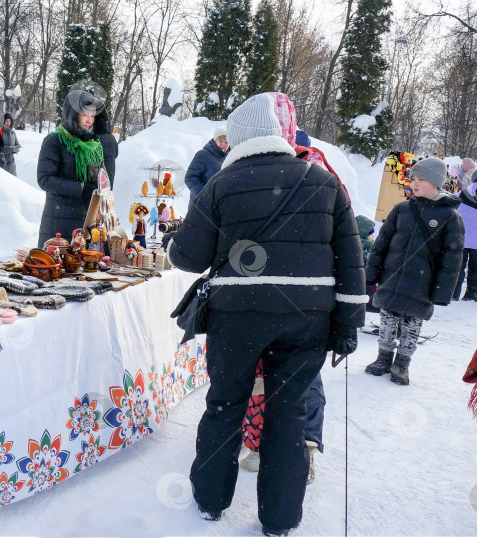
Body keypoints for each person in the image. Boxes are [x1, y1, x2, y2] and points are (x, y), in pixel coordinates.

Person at [166, 93, 365, 536]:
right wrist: (349, 323)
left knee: (224, 405)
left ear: (237, 139)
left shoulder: (221, 184)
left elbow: (187, 257)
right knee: (289, 413)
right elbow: (351, 262)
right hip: (306, 316)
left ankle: (210, 503)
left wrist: (171, 242)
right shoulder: (323, 181)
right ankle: (279, 519)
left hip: (237, 314)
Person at [236, 92, 334, 485]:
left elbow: (338, 242)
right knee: (264, 374)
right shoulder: (258, 170)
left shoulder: (317, 173)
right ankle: (259, 443)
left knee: (303, 379)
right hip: (270, 294)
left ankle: (304, 448)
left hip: (302, 297)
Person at [364, 157, 464, 385]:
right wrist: (372, 274)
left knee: (412, 324)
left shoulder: (450, 217)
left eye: (421, 179)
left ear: (436, 183)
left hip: (422, 285)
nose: (414, 184)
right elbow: (382, 244)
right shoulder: (402, 209)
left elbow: (452, 259)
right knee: (387, 319)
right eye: (413, 179)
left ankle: (402, 364)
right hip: (392, 278)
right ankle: (383, 358)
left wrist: (441, 292)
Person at [36, 90, 116, 247]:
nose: (89, 120)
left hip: (87, 221)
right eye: (85, 114)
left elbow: (104, 180)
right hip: (58, 221)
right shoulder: (55, 141)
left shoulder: (95, 145)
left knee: (83, 268)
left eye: (93, 116)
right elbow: (45, 179)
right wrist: (80, 189)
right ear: (73, 114)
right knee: (59, 263)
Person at [452, 159, 477, 300]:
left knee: (458, 267)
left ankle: (454, 293)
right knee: (475, 269)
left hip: (462, 237)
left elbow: (452, 210)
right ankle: (472, 295)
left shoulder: (462, 194)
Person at [184, 127, 228, 207]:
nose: (223, 145)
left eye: (226, 142)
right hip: (200, 207)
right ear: (215, 141)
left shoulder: (228, 158)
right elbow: (190, 178)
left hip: (218, 207)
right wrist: (205, 195)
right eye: (220, 141)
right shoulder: (203, 155)